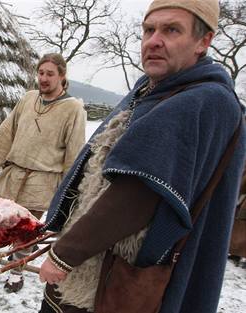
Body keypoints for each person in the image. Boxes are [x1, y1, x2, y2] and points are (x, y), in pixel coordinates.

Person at [38, 0, 246, 312]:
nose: (154, 41)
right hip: (93, 259)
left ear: (204, 41)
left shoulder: (205, 101)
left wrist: (65, 253)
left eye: (172, 30)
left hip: (119, 274)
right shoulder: (149, 90)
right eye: (149, 30)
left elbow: (138, 192)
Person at [0, 53, 86, 292]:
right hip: (14, 174)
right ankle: (21, 251)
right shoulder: (28, 99)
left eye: (50, 74)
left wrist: (68, 190)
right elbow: (8, 129)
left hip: (42, 180)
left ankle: (16, 273)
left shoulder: (73, 109)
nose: (44, 78)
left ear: (62, 76)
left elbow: (75, 150)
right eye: (41, 73)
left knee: (25, 229)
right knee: (7, 222)